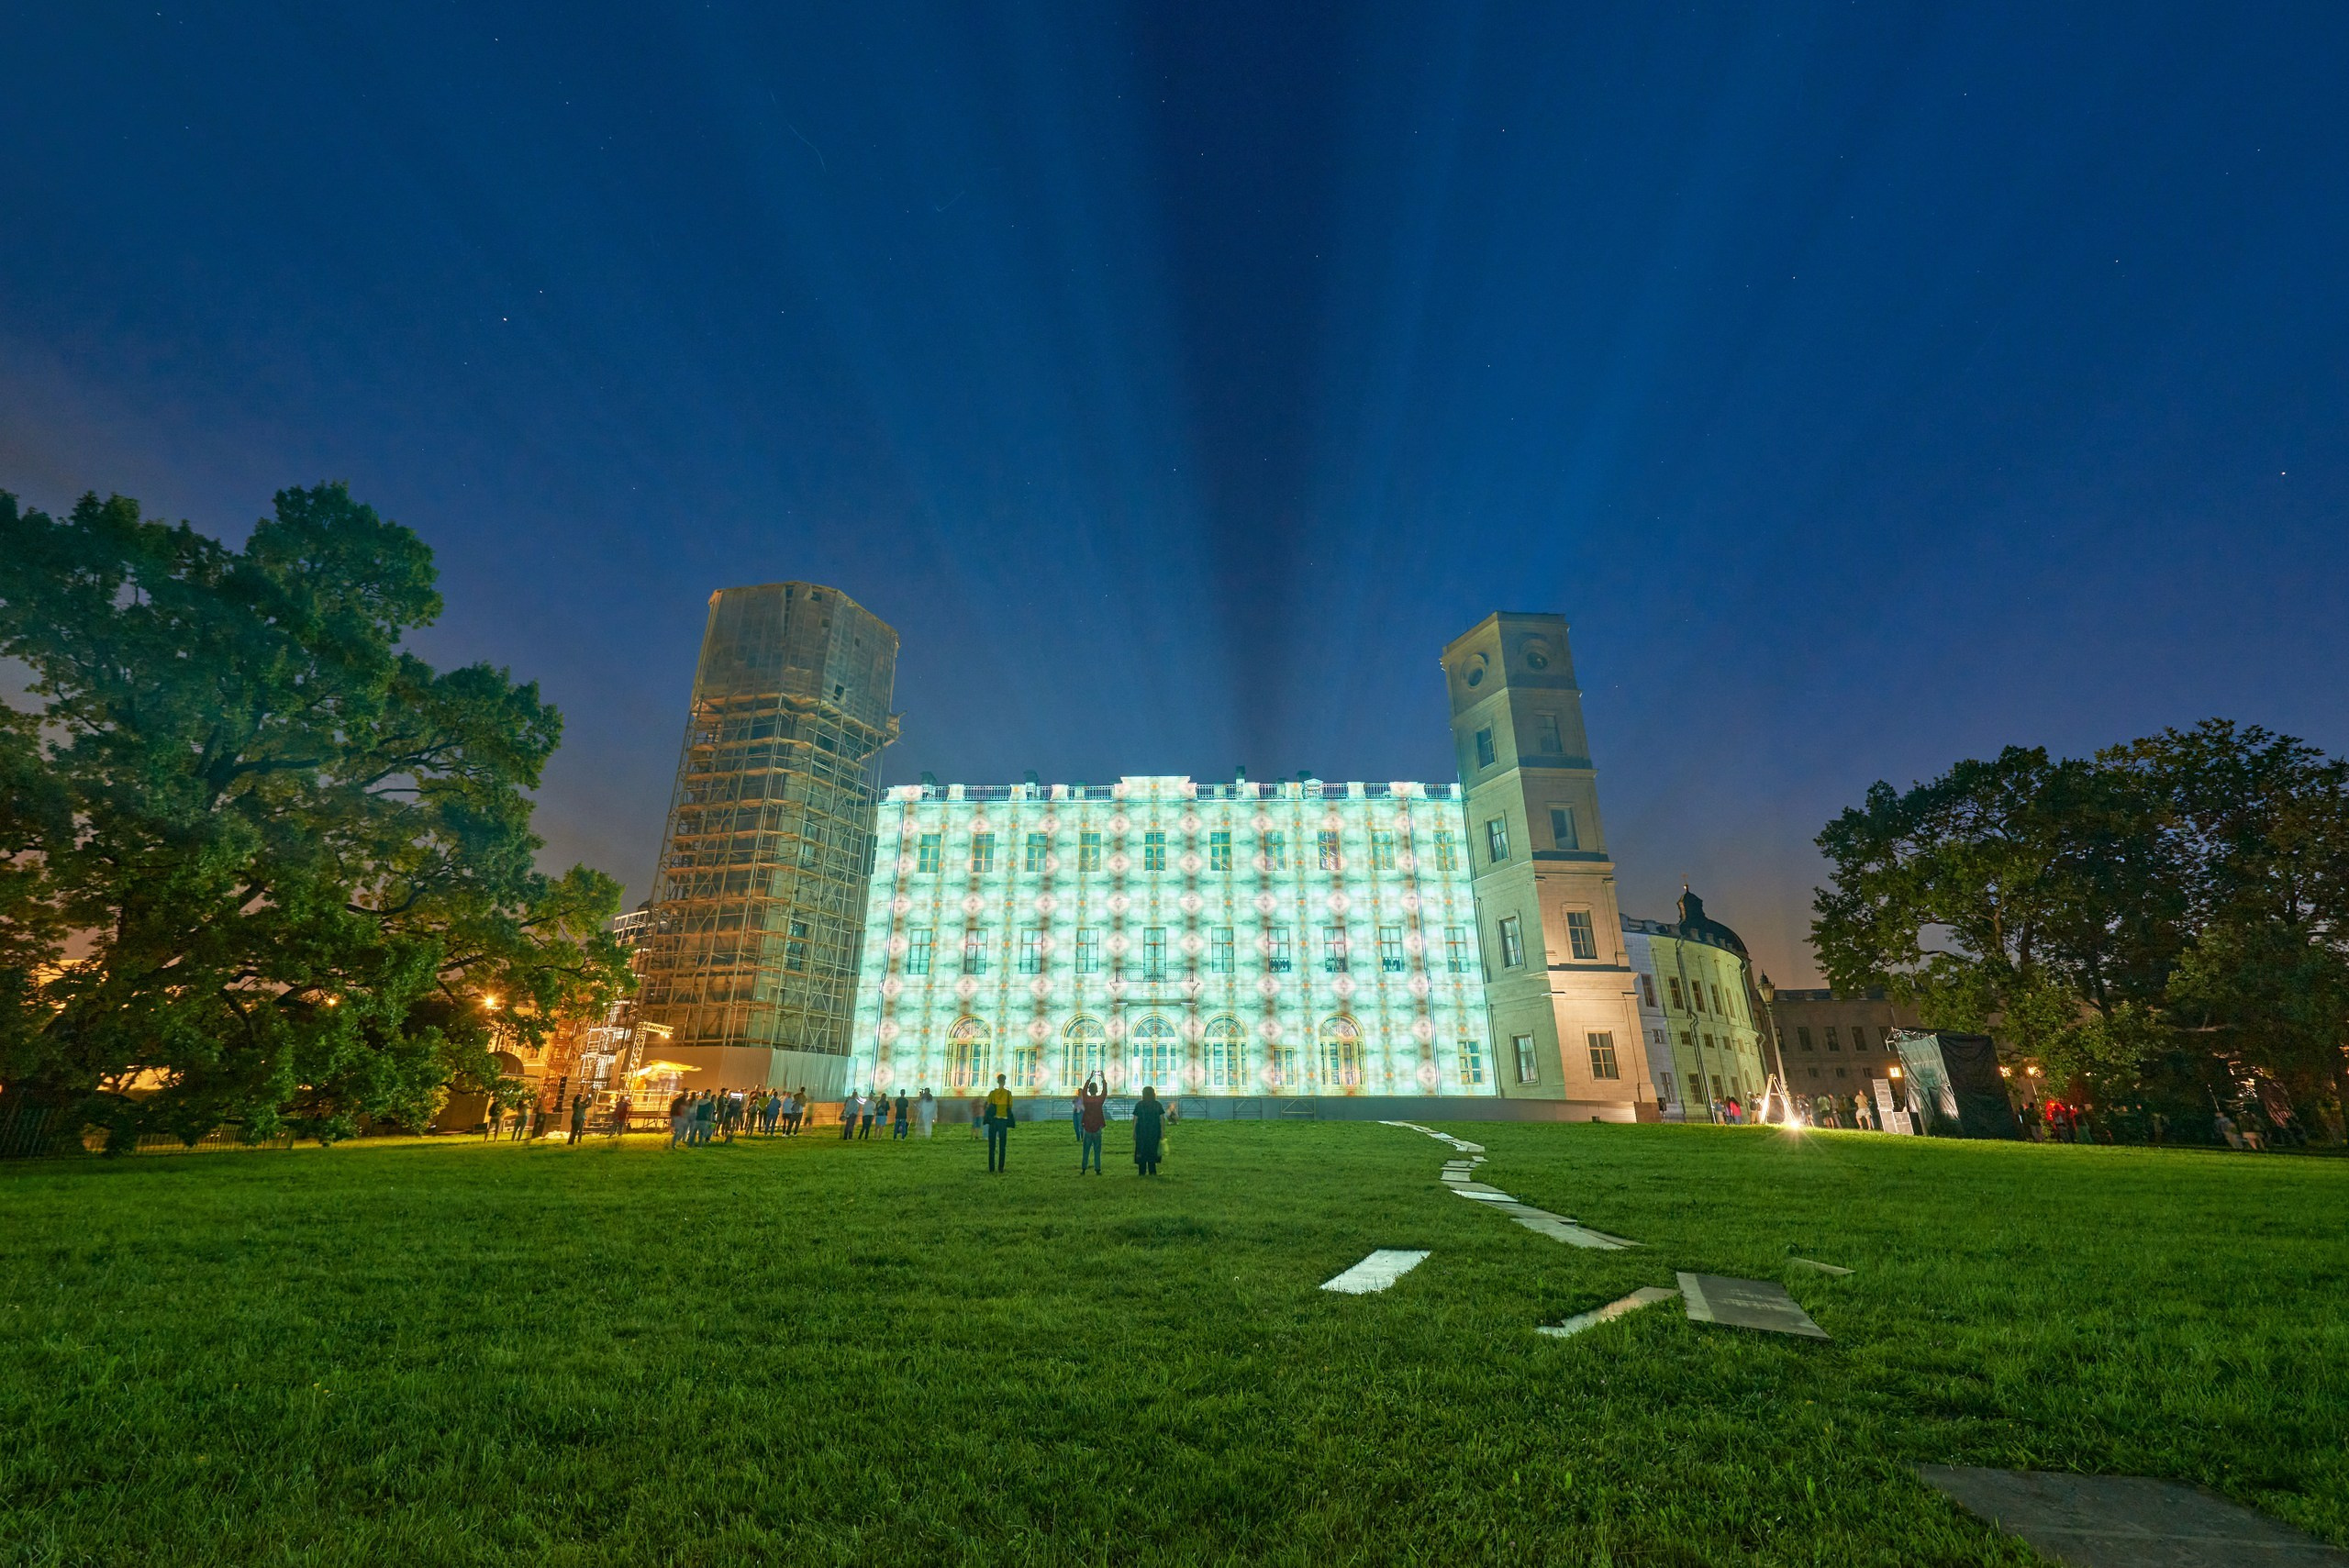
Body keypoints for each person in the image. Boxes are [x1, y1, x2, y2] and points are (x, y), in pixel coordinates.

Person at [984, 1073, 1014, 1173]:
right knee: (1002, 1146)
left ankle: (991, 1168)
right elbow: (1010, 1106)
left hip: (993, 1121)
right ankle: (1001, 1168)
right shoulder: (1008, 1094)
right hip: (1003, 1122)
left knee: (991, 1146)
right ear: (1004, 1082)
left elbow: (987, 1105)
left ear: (997, 1081)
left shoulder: (992, 1094)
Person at [1131, 1084, 1165, 1176]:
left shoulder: (1139, 1105)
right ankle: (1152, 1171)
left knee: (1141, 1150)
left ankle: (1142, 1172)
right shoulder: (1157, 1105)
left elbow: (1135, 1119)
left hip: (1141, 1132)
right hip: (1154, 1132)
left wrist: (1134, 1131)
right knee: (1152, 1150)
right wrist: (1162, 1131)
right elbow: (1162, 1118)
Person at [1077, 1075, 1106, 1174]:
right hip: (1097, 1127)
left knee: (1086, 1150)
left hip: (1088, 1127)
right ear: (1097, 1090)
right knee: (1097, 1150)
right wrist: (1103, 1078)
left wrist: (1089, 1078)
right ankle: (1097, 1170)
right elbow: (1105, 1092)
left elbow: (1084, 1091)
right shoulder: (1099, 1100)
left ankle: (1084, 1169)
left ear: (1089, 1090)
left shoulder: (1086, 1100)